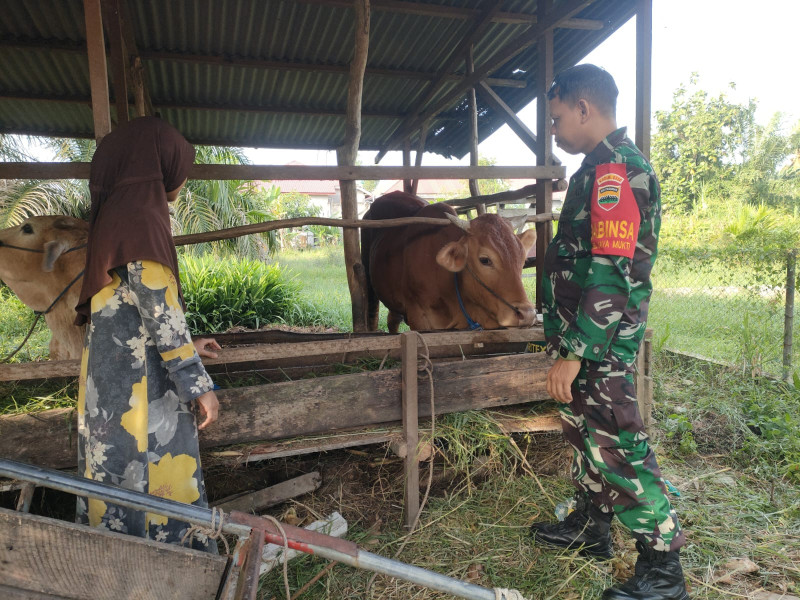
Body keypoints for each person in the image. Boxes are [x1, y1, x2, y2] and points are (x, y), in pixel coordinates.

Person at [530, 64, 690, 600]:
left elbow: (611, 271)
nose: (552, 130)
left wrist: (576, 351)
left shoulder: (616, 172)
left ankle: (664, 573)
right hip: (584, 341)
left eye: (555, 119)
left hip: (601, 348)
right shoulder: (594, 169)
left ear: (583, 108)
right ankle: (591, 528)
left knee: (621, 449)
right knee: (585, 440)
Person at [74, 116, 221, 553]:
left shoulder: (111, 219)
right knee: (152, 475)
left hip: (109, 381)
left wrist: (187, 343)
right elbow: (159, 306)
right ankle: (165, 565)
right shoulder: (142, 218)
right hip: (140, 392)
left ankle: (112, 560)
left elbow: (127, 312)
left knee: (112, 473)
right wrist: (198, 383)